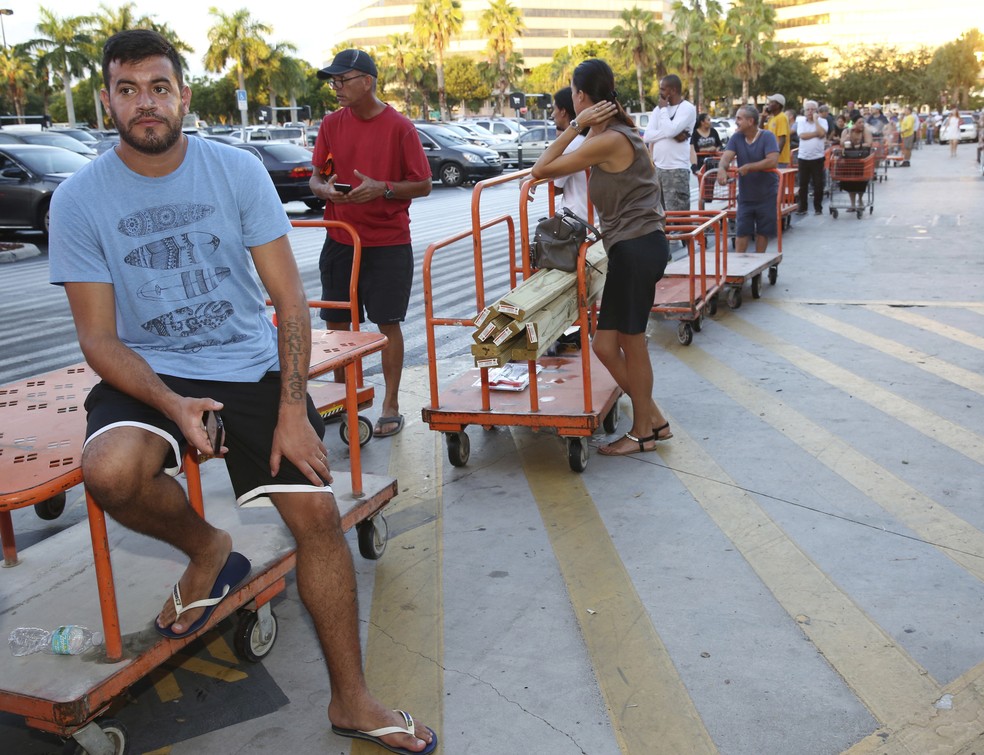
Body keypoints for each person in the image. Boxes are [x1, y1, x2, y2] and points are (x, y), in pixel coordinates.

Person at [47, 30, 436, 755]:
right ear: (107, 101)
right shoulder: (78, 199)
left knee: (317, 518)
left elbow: (290, 301)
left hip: (251, 365)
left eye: (159, 87)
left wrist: (292, 409)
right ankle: (209, 550)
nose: (145, 103)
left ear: (184, 96)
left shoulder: (235, 170)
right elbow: (98, 339)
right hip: (151, 368)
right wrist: (172, 405)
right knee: (110, 472)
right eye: (128, 90)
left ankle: (352, 699)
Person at [532, 58, 672, 457]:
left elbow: (542, 168)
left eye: (573, 95)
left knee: (632, 343)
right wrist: (584, 124)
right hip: (632, 247)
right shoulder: (611, 133)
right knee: (605, 346)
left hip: (636, 248)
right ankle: (654, 418)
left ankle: (643, 432)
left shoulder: (610, 139)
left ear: (580, 96)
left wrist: (576, 124)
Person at [309, 49, 432, 439]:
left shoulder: (400, 128)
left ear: (368, 81)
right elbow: (317, 176)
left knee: (386, 322)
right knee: (336, 323)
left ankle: (390, 404)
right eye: (334, 81)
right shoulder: (331, 124)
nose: (336, 88)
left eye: (342, 80)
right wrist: (324, 189)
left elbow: (424, 184)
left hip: (388, 242)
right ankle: (343, 397)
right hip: (340, 236)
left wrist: (384, 189)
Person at [717, 104, 779, 253]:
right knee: (742, 231)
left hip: (766, 194)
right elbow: (726, 157)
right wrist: (721, 169)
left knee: (763, 232)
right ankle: (739, 264)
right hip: (746, 196)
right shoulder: (736, 137)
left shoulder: (767, 137)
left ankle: (759, 263)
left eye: (739, 118)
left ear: (750, 121)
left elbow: (772, 161)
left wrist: (749, 167)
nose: (736, 121)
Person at [643, 73, 697, 213]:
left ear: (673, 90)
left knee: (677, 218)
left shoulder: (687, 108)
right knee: (659, 216)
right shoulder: (658, 110)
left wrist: (669, 128)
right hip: (658, 169)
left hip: (677, 170)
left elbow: (669, 131)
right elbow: (647, 136)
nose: (659, 92)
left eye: (663, 89)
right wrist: (671, 134)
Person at [550, 85, 590, 219]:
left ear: (563, 111)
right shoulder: (588, 138)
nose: (552, 114)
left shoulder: (571, 145)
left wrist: (532, 176)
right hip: (591, 215)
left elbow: (554, 187)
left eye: (554, 108)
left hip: (576, 219)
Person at [794, 100, 827, 216]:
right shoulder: (801, 121)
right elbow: (802, 136)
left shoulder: (822, 121)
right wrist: (816, 133)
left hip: (818, 157)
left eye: (812, 109)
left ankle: (818, 208)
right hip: (803, 157)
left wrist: (816, 121)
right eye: (807, 109)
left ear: (816, 111)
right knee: (803, 184)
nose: (810, 112)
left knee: (818, 184)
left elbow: (822, 134)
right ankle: (803, 207)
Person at [839, 110, 874, 211]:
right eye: (859, 122)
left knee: (861, 181)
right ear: (854, 124)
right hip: (849, 160)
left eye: (863, 122)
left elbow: (869, 143)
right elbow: (842, 143)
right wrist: (850, 132)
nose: (862, 124)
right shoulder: (846, 131)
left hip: (862, 160)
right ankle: (852, 204)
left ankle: (860, 199)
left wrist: (857, 146)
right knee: (850, 182)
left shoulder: (865, 131)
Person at [765, 93, 790, 168]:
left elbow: (782, 139)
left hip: (779, 160)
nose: (768, 104)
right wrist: (763, 116)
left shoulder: (781, 117)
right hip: (771, 157)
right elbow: (760, 131)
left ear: (778, 105)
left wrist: (776, 156)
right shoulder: (772, 118)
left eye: (771, 102)